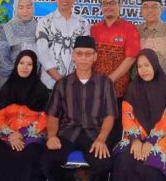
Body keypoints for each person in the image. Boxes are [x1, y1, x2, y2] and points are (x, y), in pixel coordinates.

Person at [41, 35, 117, 181]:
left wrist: (101, 139)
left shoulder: (105, 83)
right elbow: (53, 115)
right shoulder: (62, 84)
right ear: (73, 56)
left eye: (88, 54)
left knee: (104, 163)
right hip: (67, 134)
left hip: (94, 134)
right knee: (48, 161)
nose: (83, 58)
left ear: (95, 57)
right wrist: (51, 136)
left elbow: (110, 115)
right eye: (79, 53)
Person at [113, 48, 166, 180]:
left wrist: (150, 142)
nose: (143, 70)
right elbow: (127, 116)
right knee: (124, 160)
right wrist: (135, 140)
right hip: (136, 135)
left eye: (147, 65)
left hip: (161, 138)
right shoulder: (132, 88)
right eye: (139, 67)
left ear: (154, 65)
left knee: (152, 166)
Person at [91, 0, 140, 146]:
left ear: (120, 5)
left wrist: (110, 79)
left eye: (112, 3)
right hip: (96, 91)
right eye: (105, 3)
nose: (108, 6)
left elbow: (131, 58)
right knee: (95, 132)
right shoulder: (94, 29)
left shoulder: (130, 29)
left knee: (115, 135)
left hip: (118, 92)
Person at [0, 50, 49, 181]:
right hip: (8, 136)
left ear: (34, 68)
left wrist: (22, 133)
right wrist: (11, 135)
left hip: (33, 136)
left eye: (29, 64)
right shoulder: (7, 88)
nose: (25, 67)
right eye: (22, 63)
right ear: (16, 65)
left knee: (29, 156)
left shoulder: (41, 90)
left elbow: (44, 118)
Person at [36, 0, 90, 90]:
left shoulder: (83, 23)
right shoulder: (45, 22)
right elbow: (42, 53)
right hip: (48, 86)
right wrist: (61, 80)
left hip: (75, 86)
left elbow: (85, 54)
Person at [0, 0, 37, 90]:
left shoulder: (40, 28)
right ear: (15, 8)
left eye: (28, 7)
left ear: (33, 8)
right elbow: (1, 60)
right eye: (21, 7)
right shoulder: (6, 29)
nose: (25, 11)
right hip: (9, 81)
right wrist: (19, 73)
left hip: (33, 81)